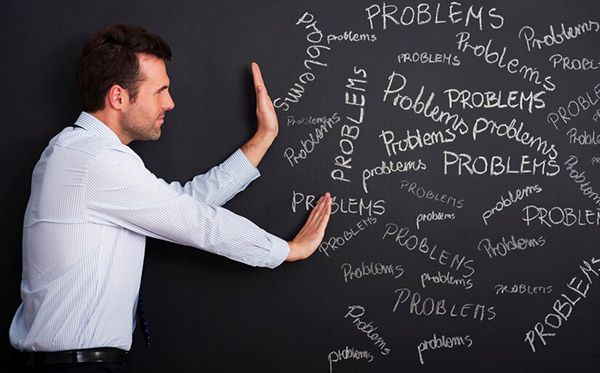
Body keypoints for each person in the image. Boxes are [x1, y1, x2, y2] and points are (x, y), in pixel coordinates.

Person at [10, 24, 332, 372]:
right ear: (118, 97)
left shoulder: (78, 152)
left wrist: (263, 138)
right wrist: (290, 250)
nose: (170, 102)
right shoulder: (96, 160)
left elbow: (180, 204)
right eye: (160, 90)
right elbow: (196, 222)